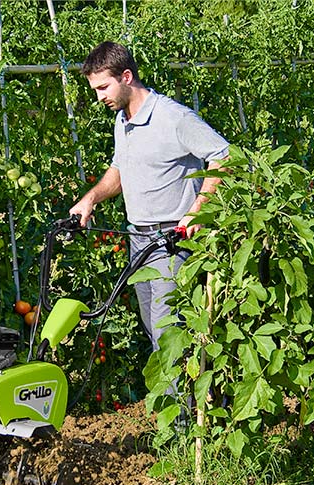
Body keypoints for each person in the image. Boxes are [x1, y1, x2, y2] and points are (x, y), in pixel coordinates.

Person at [69, 41, 229, 353]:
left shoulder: (173, 118)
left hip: (172, 241)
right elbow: (120, 170)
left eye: (103, 88)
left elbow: (223, 157)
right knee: (153, 329)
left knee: (167, 334)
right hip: (138, 240)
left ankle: (179, 387)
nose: (99, 97)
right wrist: (91, 199)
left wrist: (198, 209)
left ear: (126, 77)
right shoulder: (123, 120)